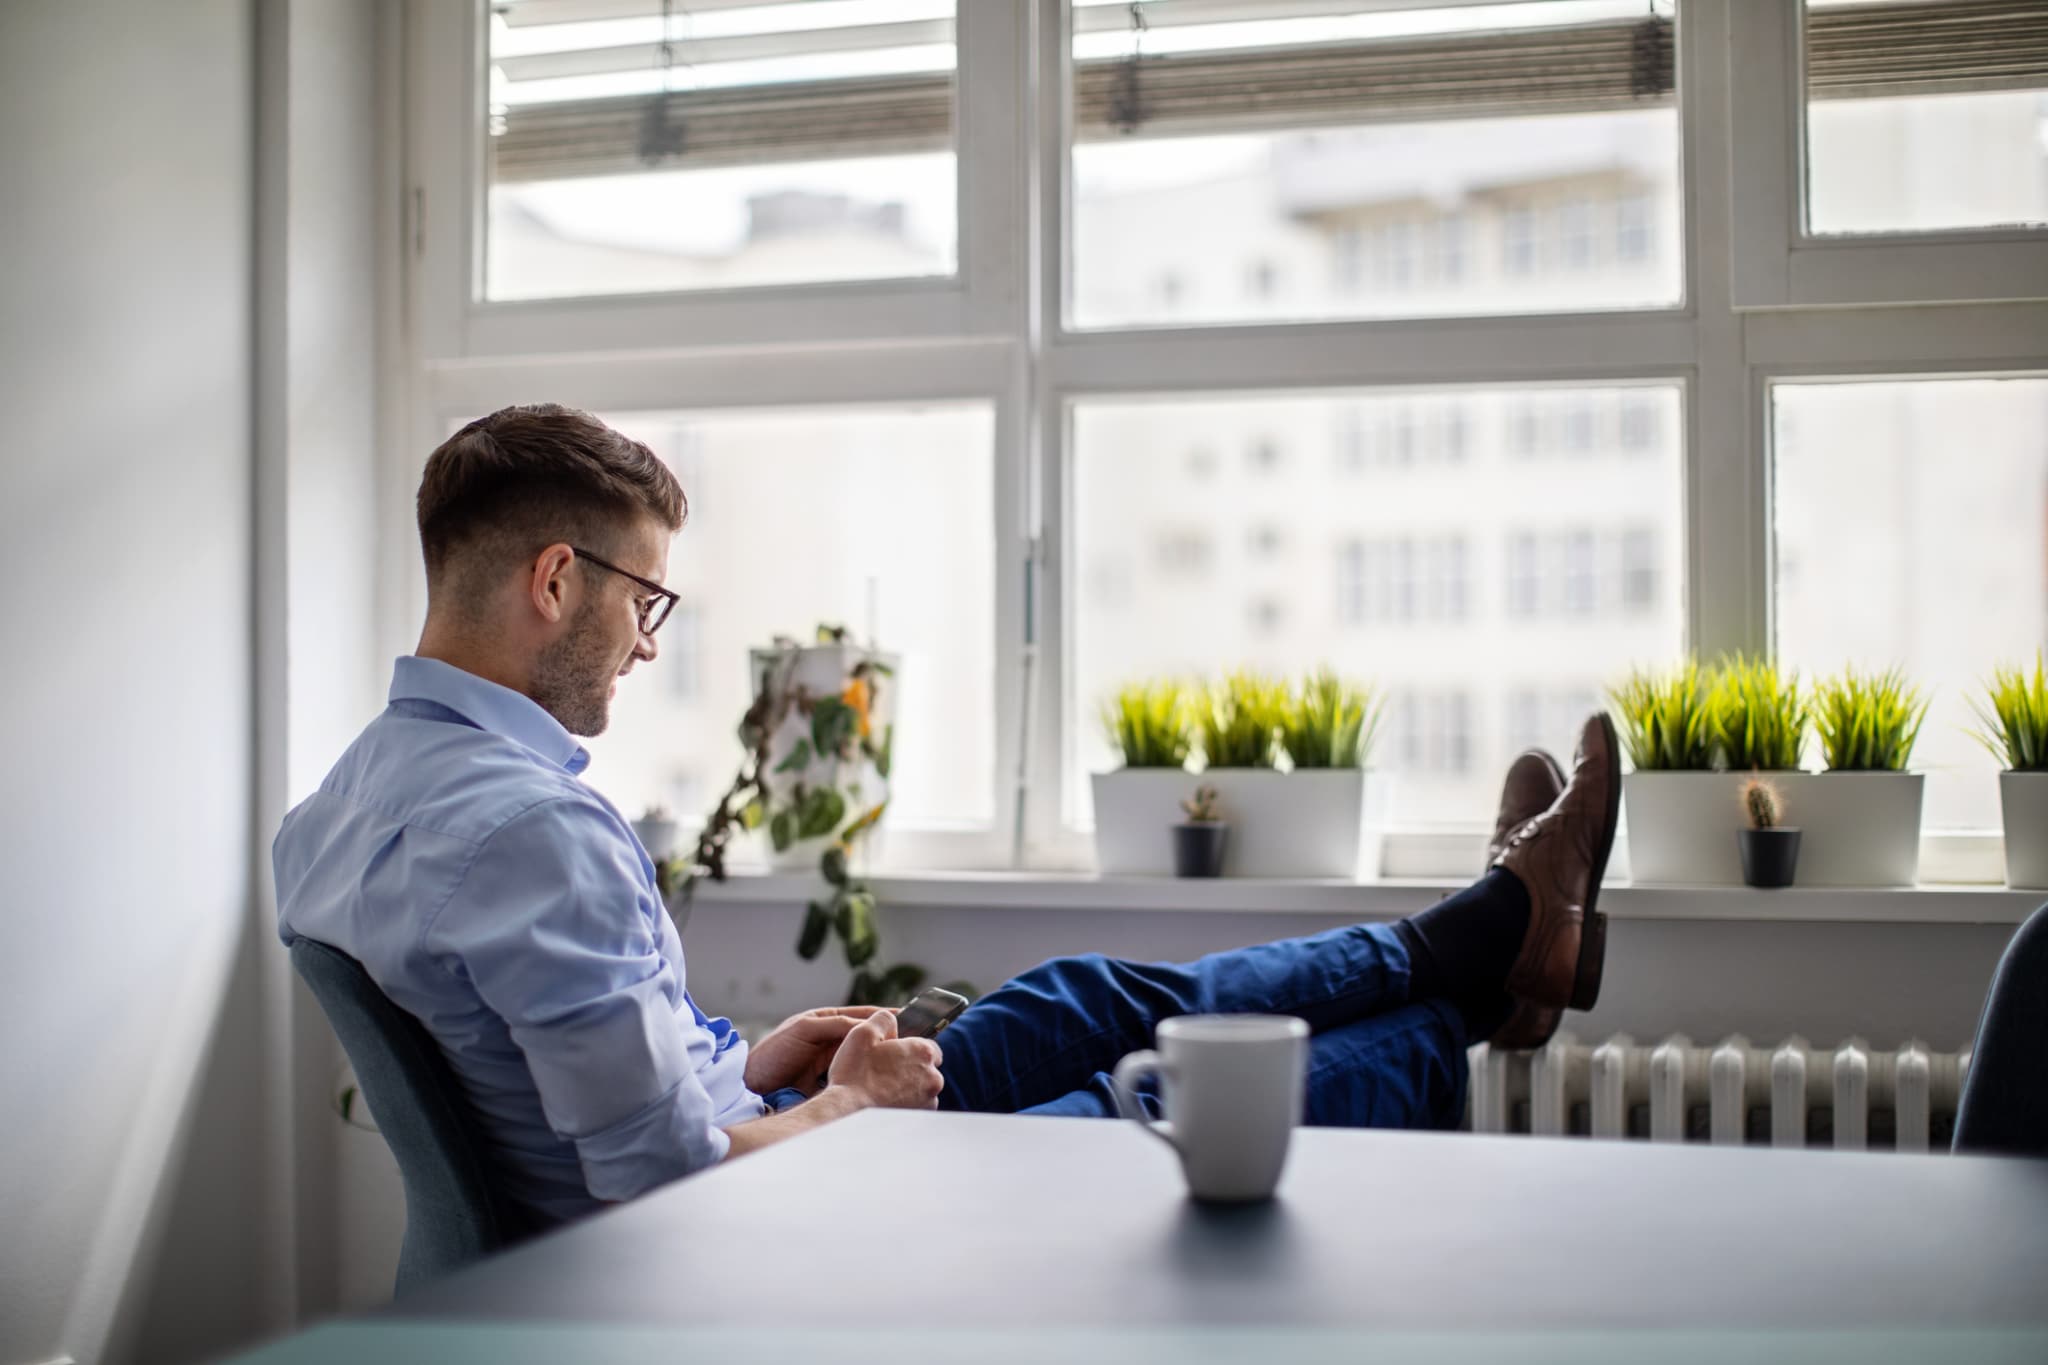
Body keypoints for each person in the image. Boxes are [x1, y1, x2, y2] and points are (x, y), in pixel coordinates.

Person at [273, 404, 1622, 1230]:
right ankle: (1491, 963)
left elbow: (582, 1096)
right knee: (1217, 1088)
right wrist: (847, 1106)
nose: (648, 642)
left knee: (1077, 992)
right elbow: (659, 1186)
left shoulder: (336, 811)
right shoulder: (530, 833)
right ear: (558, 579)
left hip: (756, 1149)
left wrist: (769, 1065)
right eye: (647, 599)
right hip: (754, 1232)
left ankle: (1490, 938)